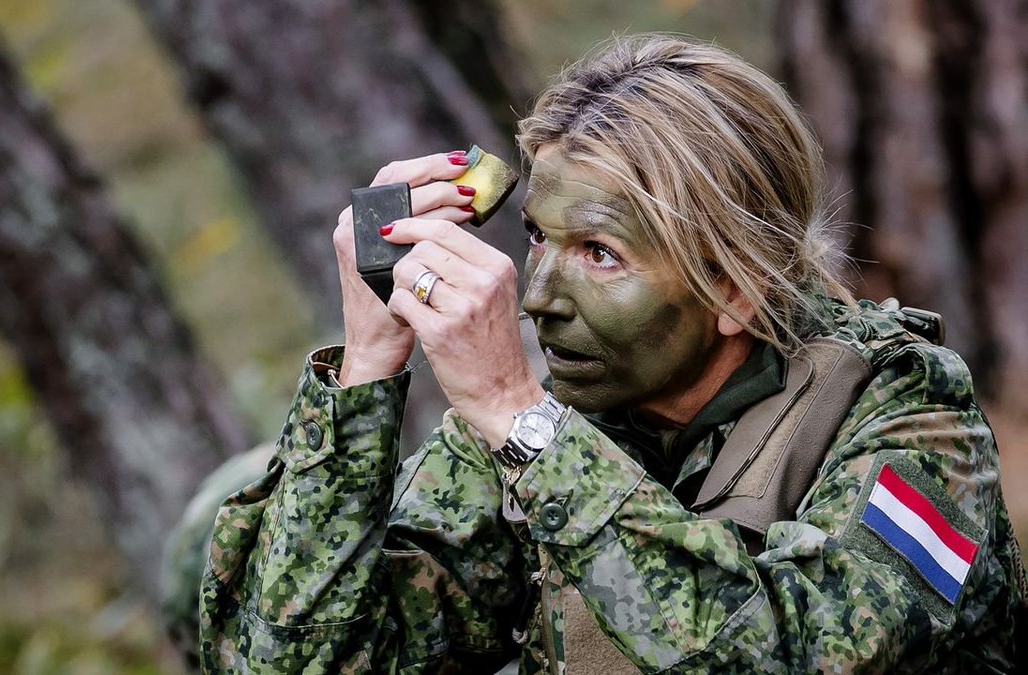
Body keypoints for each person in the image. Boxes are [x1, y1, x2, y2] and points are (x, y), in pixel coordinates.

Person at [197, 34, 1025, 673]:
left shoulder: (909, 420)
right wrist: (366, 371)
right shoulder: (556, 418)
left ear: (734, 286)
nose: (537, 298)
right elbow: (286, 662)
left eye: (599, 253)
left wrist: (528, 431)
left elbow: (789, 656)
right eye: (536, 237)